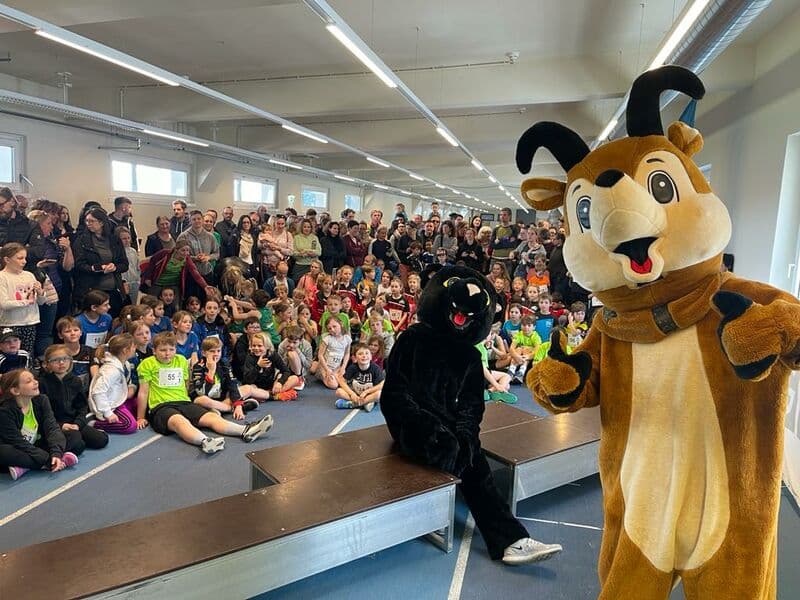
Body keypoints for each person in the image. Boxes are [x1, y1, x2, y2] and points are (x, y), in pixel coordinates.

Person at [136, 332, 273, 454]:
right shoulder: (147, 364)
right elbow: (143, 392)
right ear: (154, 351)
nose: (167, 353)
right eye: (162, 350)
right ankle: (205, 441)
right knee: (180, 421)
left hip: (184, 402)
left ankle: (245, 430)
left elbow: (185, 384)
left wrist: (187, 401)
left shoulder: (181, 360)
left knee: (211, 418)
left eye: (171, 349)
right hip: (161, 407)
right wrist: (140, 417)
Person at [0, 369, 81, 480]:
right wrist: (48, 460)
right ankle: (52, 463)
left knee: (75, 437)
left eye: (34, 378)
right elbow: (17, 441)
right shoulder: (5, 411)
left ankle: (27, 467)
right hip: (18, 448)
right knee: (4, 452)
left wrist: (56, 453)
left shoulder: (42, 400)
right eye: (29, 381)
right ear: (15, 390)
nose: (36, 382)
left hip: (36, 445)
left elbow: (52, 428)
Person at [39, 344, 109, 450]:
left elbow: (82, 407)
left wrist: (78, 424)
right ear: (47, 364)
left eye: (64, 359)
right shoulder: (42, 383)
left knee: (101, 440)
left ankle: (72, 442)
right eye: (55, 360)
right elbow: (42, 413)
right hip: (55, 425)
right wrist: (61, 425)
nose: (61, 363)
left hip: (73, 422)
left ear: (70, 361)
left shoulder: (75, 381)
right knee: (77, 444)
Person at [25, 209, 72, 356]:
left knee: (49, 332)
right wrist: (38, 267)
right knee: (39, 333)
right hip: (34, 293)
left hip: (54, 290)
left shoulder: (52, 242)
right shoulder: (26, 247)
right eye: (48, 223)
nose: (52, 227)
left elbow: (67, 266)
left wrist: (67, 248)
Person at [71, 207, 128, 317]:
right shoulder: (82, 240)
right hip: (92, 290)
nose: (88, 224)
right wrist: (98, 268)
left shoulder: (114, 240)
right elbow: (79, 265)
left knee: (114, 319)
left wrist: (114, 267)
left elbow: (124, 264)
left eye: (92, 221)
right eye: (86, 221)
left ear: (101, 222)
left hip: (113, 288)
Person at [190, 337, 264, 419]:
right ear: (204, 353)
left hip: (223, 399)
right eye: (212, 351)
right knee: (201, 400)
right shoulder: (198, 367)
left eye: (218, 351)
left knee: (247, 388)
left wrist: (238, 406)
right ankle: (231, 408)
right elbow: (202, 392)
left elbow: (232, 385)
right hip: (207, 400)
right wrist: (211, 371)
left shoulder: (224, 363)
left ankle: (222, 409)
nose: (216, 354)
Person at [87, 334, 138, 435]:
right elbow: (97, 392)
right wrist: (108, 413)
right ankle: (93, 423)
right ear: (125, 350)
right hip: (109, 404)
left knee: (139, 404)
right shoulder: (111, 370)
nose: (135, 349)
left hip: (118, 399)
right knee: (130, 425)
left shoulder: (124, 364)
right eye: (133, 347)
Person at [0, 243, 45, 354]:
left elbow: (40, 302)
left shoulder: (29, 275)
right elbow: (4, 304)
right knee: (10, 355)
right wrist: (26, 302)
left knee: (27, 354)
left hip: (30, 321)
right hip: (10, 323)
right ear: (7, 259)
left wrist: (40, 292)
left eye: (25, 258)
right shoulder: (2, 277)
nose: (24, 261)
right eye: (20, 258)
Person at [142, 239, 215, 304]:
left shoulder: (187, 259)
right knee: (152, 303)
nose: (186, 253)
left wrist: (205, 286)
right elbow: (152, 262)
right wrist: (148, 277)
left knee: (176, 306)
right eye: (183, 250)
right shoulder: (165, 253)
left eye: (187, 251)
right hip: (158, 283)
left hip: (174, 284)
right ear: (176, 250)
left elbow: (195, 273)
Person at [241, 332, 301, 401]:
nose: (256, 348)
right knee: (249, 388)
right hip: (256, 386)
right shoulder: (250, 357)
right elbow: (247, 380)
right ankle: (273, 396)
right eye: (254, 346)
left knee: (295, 378)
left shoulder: (272, 354)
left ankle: (269, 395)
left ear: (267, 346)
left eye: (260, 346)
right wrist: (258, 366)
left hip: (271, 385)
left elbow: (285, 370)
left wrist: (280, 382)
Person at [335, 343, 383, 411]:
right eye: (360, 354)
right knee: (339, 391)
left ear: (371, 356)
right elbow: (342, 381)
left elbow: (382, 384)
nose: (364, 356)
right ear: (354, 358)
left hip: (370, 394)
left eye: (367, 353)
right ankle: (365, 403)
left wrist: (366, 392)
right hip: (356, 394)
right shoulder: (353, 367)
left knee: (379, 394)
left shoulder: (375, 368)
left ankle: (353, 404)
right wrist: (352, 394)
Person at [178, 210, 219, 285]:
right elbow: (178, 255)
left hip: (207, 273)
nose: (197, 221)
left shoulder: (210, 236)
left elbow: (216, 254)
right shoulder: (183, 236)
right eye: (194, 219)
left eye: (199, 219)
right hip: (190, 274)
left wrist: (208, 257)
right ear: (190, 221)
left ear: (202, 220)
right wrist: (194, 258)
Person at [312, 317, 350, 390]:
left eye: (334, 326)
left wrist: (343, 367)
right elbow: (320, 355)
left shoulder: (347, 339)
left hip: (337, 367)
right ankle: (319, 373)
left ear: (341, 324)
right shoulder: (327, 339)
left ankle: (333, 375)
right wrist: (326, 370)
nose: (332, 330)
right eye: (329, 328)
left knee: (342, 382)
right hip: (325, 366)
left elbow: (347, 354)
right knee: (334, 385)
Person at [507, 315, 541, 384]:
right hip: (519, 356)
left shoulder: (536, 336)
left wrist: (527, 357)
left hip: (529, 356)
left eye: (529, 325)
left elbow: (537, 350)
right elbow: (512, 348)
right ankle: (511, 371)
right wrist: (516, 356)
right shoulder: (519, 334)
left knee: (526, 349)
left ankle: (521, 373)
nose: (526, 328)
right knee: (518, 349)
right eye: (524, 325)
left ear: (534, 327)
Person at [116, 226, 140, 305]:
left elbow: (137, 267)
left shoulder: (133, 251)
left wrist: (138, 280)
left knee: (133, 306)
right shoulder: (116, 252)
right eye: (124, 239)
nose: (127, 241)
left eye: (128, 238)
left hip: (134, 282)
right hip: (123, 284)